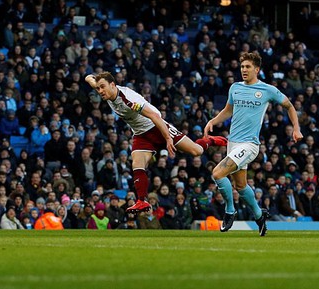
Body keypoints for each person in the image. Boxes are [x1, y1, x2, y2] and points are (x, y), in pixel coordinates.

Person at [85, 72, 227, 213]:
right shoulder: (107, 92)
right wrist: (91, 79)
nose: (100, 91)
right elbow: (91, 80)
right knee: (137, 163)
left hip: (157, 127)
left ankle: (209, 140)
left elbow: (154, 116)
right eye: (98, 88)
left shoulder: (128, 100)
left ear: (112, 85)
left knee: (196, 151)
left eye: (102, 87)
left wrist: (167, 138)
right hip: (141, 134)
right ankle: (142, 201)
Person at [204, 51, 303, 236]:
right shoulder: (235, 87)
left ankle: (229, 211)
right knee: (241, 186)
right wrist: (213, 121)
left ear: (257, 69)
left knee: (217, 174)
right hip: (233, 143)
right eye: (242, 66)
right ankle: (259, 217)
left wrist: (296, 128)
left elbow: (289, 106)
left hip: (249, 145)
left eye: (248, 66)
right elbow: (228, 110)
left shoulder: (267, 90)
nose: (244, 69)